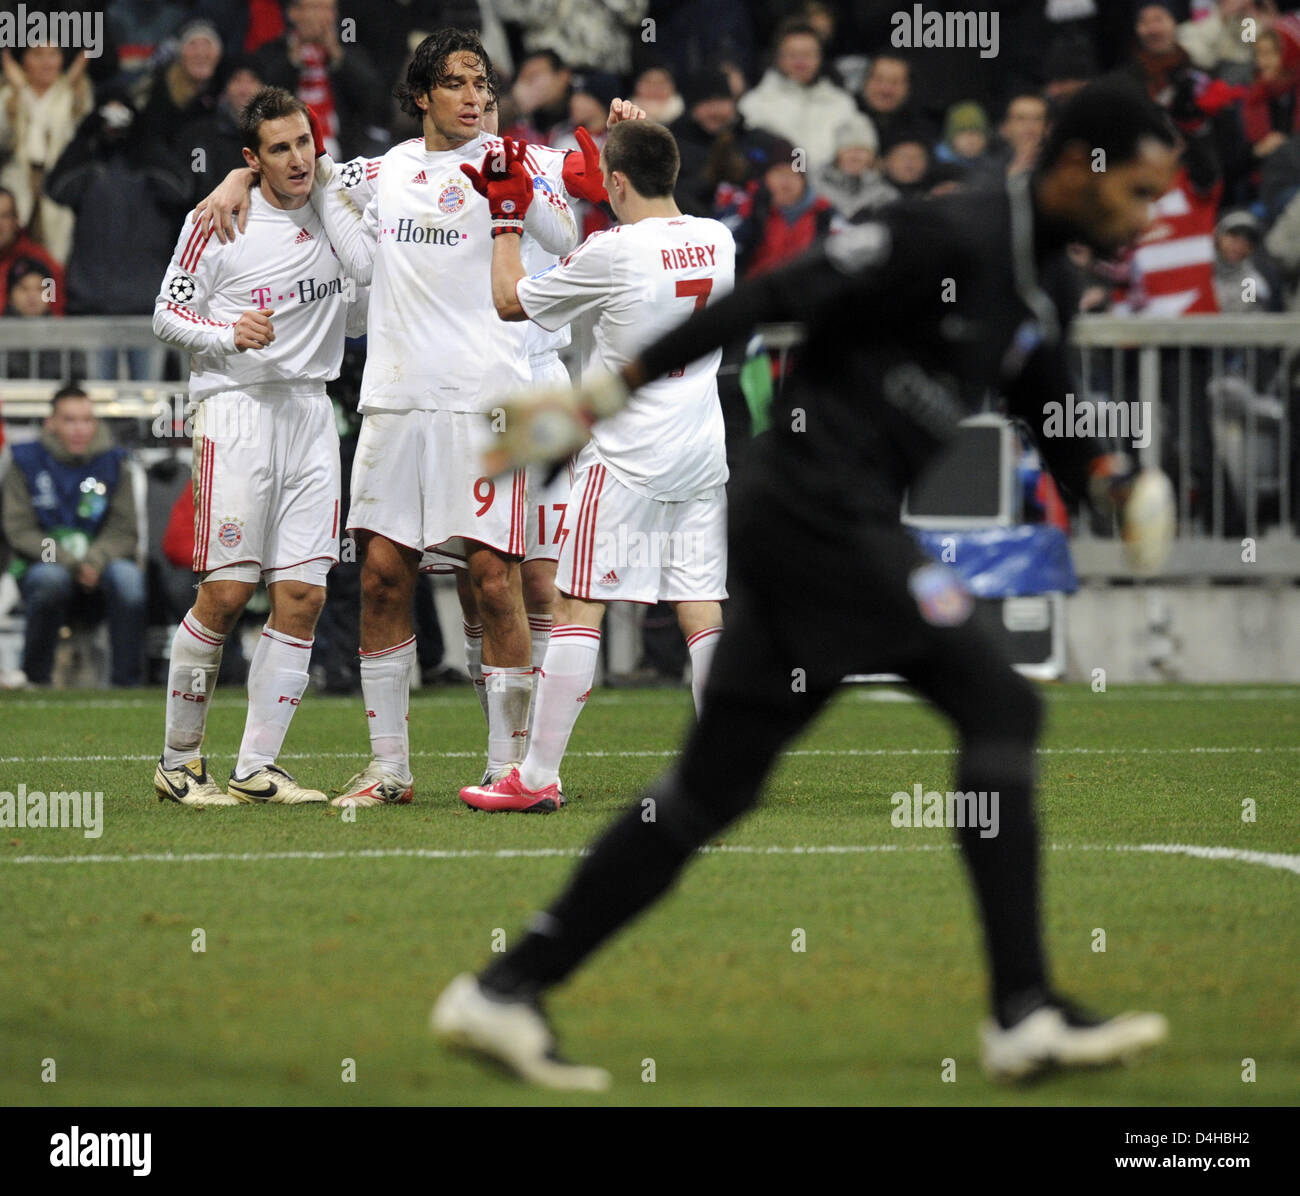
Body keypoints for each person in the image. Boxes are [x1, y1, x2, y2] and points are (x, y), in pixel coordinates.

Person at [431, 79, 1178, 1090]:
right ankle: (1023, 1012)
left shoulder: (1044, 280)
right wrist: (601, 392)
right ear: (1072, 165)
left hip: (813, 530)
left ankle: (504, 989)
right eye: (1135, 192)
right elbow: (773, 296)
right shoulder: (947, 229)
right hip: (820, 513)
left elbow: (1048, 405)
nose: (1143, 219)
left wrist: (1113, 481)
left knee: (708, 790)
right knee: (998, 702)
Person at [458, 120, 733, 814]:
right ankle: (727, 771)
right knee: (702, 611)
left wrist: (506, 219)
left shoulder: (613, 251)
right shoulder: (720, 238)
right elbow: (656, 201)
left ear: (613, 182)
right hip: (700, 453)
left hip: (626, 457)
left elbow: (509, 300)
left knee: (580, 607)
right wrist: (637, 140)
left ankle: (537, 774)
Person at [150, 85, 366, 808]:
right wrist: (226, 334)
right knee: (228, 590)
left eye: (304, 141)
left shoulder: (340, 209)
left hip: (312, 411)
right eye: (278, 149)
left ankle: (256, 768)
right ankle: (179, 762)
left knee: (303, 592)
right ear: (252, 158)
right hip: (236, 409)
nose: (298, 158)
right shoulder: (219, 217)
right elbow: (166, 314)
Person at [3, 383, 145, 687]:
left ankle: (127, 685)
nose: (80, 428)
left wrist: (94, 559)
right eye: (69, 420)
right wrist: (67, 561)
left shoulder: (114, 463)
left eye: (86, 419)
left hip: (102, 565)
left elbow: (125, 531)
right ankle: (35, 679)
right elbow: (19, 531)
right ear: (51, 422)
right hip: (43, 561)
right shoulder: (25, 462)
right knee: (49, 579)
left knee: (130, 581)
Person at [737, 19, 860, 175]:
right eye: (792, 54)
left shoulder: (842, 102)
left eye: (807, 54)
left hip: (833, 191)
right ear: (777, 58)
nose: (800, 61)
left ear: (820, 58)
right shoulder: (753, 104)